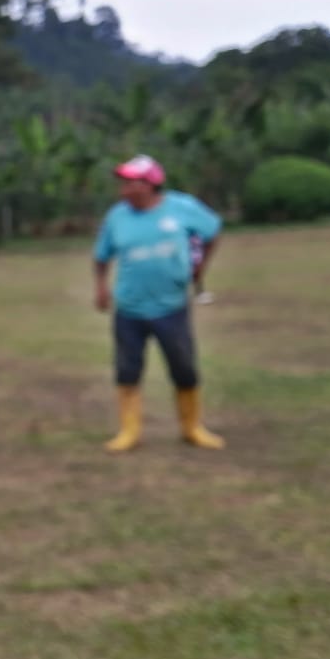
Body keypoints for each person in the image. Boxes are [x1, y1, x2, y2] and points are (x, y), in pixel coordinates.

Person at [94, 155, 224, 453]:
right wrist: (100, 287)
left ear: (149, 184)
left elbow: (212, 231)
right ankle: (129, 431)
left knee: (184, 369)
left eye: (130, 182)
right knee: (127, 370)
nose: (123, 189)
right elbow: (101, 256)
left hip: (171, 307)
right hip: (129, 309)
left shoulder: (182, 208)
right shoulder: (117, 217)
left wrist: (199, 268)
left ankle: (192, 428)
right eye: (122, 183)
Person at [189, 232, 215, 305]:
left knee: (197, 274)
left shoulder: (197, 234)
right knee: (195, 274)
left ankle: (199, 293)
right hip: (191, 256)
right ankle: (199, 293)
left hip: (195, 255)